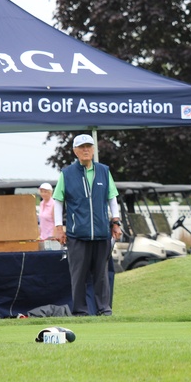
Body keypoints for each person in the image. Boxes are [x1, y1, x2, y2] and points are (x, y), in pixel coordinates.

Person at [52, 134, 122, 316]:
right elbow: (58, 201)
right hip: (77, 234)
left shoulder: (104, 171)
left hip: (101, 233)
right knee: (78, 276)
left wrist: (116, 222)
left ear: (93, 149)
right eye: (82, 147)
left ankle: (104, 309)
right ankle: (80, 311)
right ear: (75, 151)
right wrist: (59, 227)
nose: (86, 150)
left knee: (101, 275)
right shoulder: (67, 174)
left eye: (89, 146)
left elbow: (112, 198)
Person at [38, 182, 58, 250]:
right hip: (42, 237)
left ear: (50, 193)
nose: (43, 194)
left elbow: (56, 222)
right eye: (41, 192)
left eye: (45, 192)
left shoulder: (54, 204)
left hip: (51, 237)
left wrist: (53, 236)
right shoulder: (41, 203)